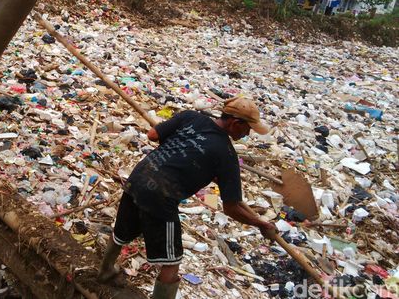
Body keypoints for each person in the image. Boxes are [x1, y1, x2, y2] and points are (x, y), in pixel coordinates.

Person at [97, 97, 278, 299]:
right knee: (171, 261)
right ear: (235, 123)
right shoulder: (226, 155)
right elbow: (231, 207)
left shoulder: (191, 116)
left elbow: (152, 134)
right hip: (161, 195)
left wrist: (179, 147)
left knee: (122, 231)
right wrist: (260, 223)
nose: (248, 134)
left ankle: (105, 271)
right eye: (248, 129)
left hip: (139, 176)